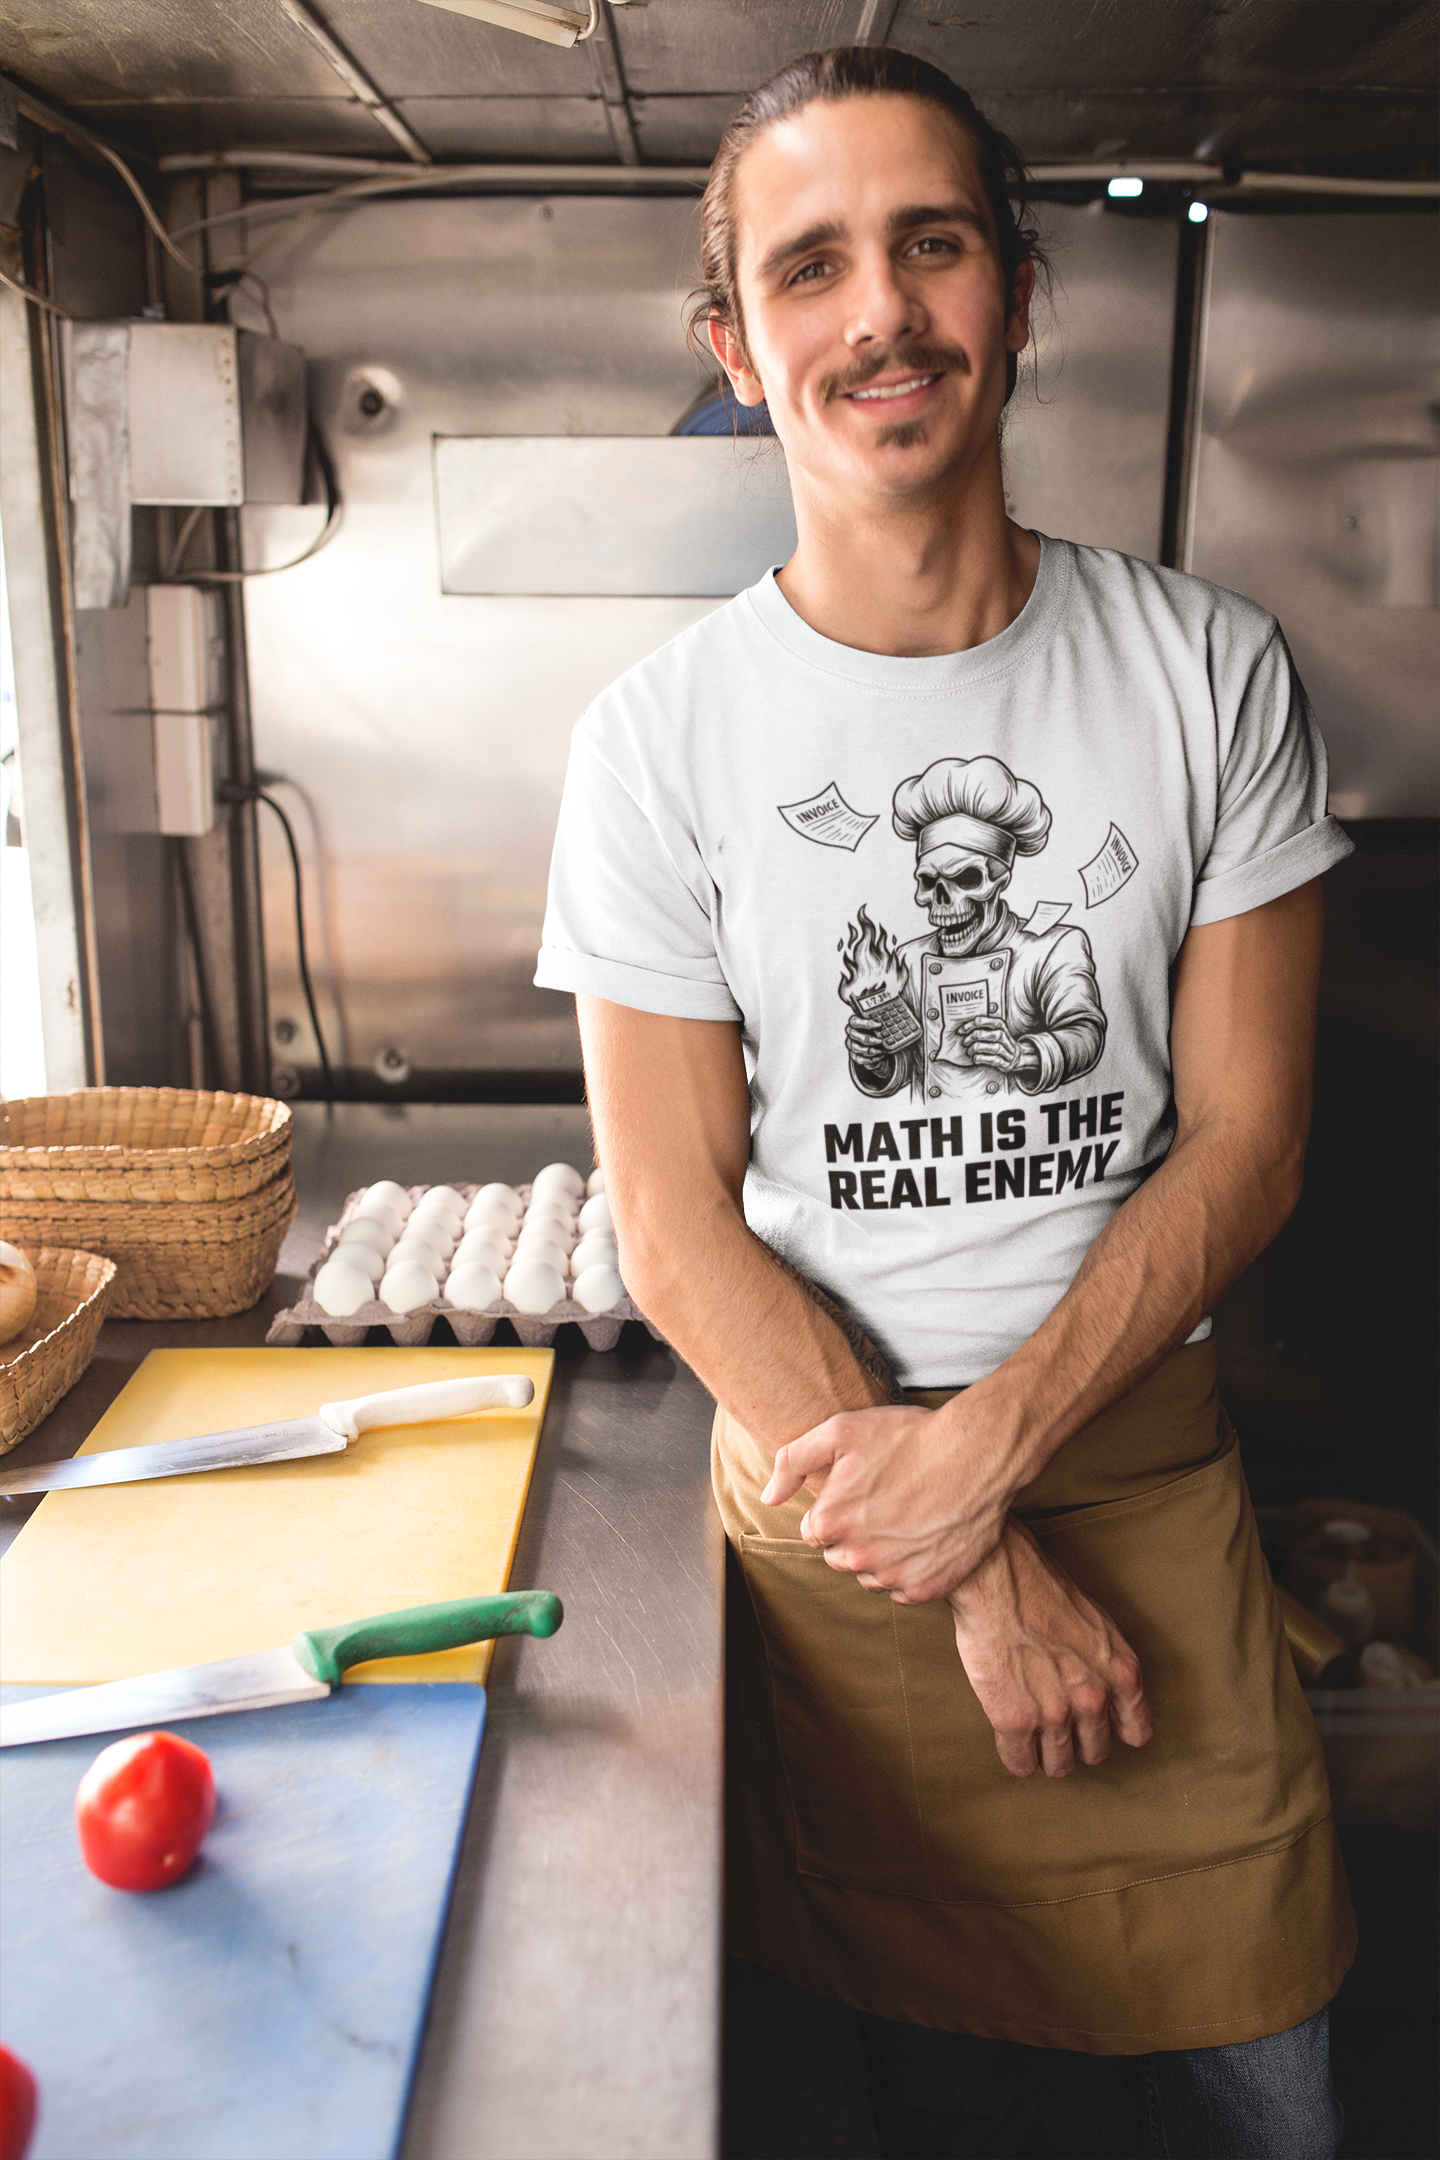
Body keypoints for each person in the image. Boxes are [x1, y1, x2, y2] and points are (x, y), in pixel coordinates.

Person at [536, 43, 1355, 2159]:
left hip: (1149, 1502)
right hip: (838, 1566)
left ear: (1010, 287)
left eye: (931, 243)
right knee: (858, 2107)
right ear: (740, 346)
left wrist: (991, 1453)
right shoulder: (658, 743)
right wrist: (968, 1556)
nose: (879, 312)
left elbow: (1249, 1141)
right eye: (810, 268)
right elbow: (680, 1222)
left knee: (1262, 2091)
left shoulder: (1208, 674)